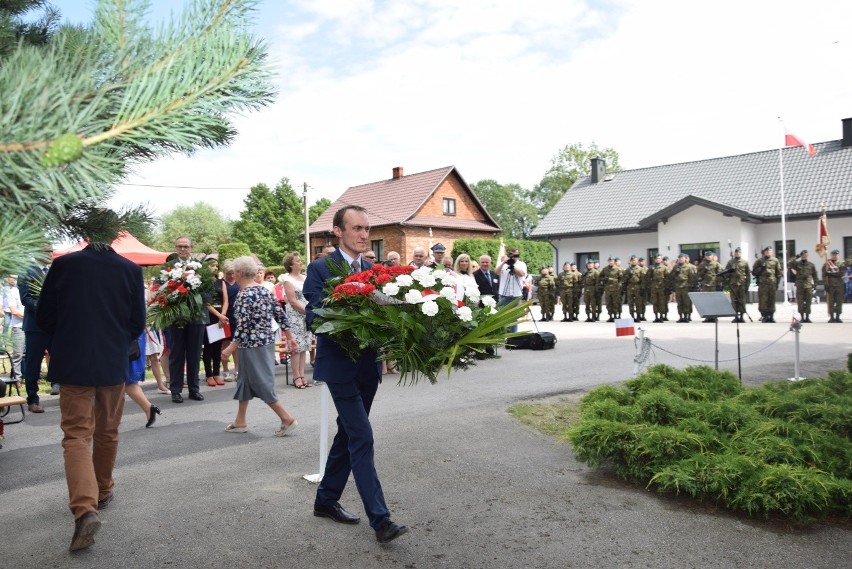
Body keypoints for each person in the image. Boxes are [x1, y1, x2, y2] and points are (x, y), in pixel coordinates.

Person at [36, 220, 146, 551]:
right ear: (115, 233)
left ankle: (85, 509)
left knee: (76, 435)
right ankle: (104, 488)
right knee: (108, 430)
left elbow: (45, 316)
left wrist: (66, 337)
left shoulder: (64, 264)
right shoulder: (129, 269)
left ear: (86, 231)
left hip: (72, 361)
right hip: (112, 362)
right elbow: (137, 322)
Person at [304, 205, 408, 544]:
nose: (364, 235)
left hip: (368, 366)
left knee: (348, 435)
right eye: (357, 228)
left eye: (367, 228)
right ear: (338, 231)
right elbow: (314, 316)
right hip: (339, 366)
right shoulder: (321, 268)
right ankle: (381, 520)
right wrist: (351, 314)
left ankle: (325, 500)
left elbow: (387, 312)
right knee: (362, 436)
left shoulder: (374, 271)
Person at [221, 256, 298, 436]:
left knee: (260, 383)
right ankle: (240, 421)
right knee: (245, 381)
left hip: (251, 346)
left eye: (234, 272)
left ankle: (286, 418)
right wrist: (289, 336)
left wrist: (230, 348)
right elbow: (279, 313)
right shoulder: (263, 290)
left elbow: (243, 326)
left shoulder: (243, 295)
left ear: (239, 273)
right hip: (265, 343)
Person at [165, 237, 206, 403]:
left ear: (191, 248)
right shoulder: (168, 267)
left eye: (186, 247)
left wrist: (197, 299)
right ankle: (175, 390)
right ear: (175, 248)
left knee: (195, 354)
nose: (183, 249)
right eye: (180, 247)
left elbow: (207, 290)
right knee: (177, 354)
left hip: (196, 316)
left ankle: (194, 389)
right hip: (176, 316)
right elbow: (162, 290)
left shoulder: (199, 266)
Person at [18, 244, 56, 412]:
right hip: (35, 326)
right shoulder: (27, 270)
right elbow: (25, 298)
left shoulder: (54, 270)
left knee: (61, 358)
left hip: (55, 325)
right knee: (33, 363)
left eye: (51, 251)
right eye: (47, 251)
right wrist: (44, 308)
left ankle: (60, 387)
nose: (50, 254)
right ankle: (33, 399)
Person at [281, 251, 313, 389]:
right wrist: (308, 312)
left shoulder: (305, 278)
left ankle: (302, 375)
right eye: (297, 261)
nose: (300, 262)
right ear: (290, 265)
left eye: (300, 260)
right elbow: (293, 302)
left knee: (304, 346)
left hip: (306, 315)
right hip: (295, 316)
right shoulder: (288, 280)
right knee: (296, 348)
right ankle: (296, 377)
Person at [126, 330, 162, 428]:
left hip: (124, 337)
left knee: (124, 380)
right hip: (131, 335)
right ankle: (148, 408)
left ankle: (148, 408)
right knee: (126, 380)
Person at [202, 262, 229, 387]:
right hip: (209, 316)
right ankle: (208, 374)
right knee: (208, 347)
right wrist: (218, 316)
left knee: (218, 347)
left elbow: (225, 300)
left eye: (215, 265)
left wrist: (222, 315)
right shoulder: (202, 282)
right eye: (211, 265)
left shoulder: (221, 282)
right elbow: (205, 302)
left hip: (221, 315)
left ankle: (217, 372)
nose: (214, 267)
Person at [496, 247, 527, 333]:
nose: (514, 257)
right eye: (512, 255)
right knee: (503, 316)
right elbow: (496, 272)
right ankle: (503, 335)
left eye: (516, 255)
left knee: (514, 317)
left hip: (516, 295)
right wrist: (504, 262)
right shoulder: (504, 263)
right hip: (504, 294)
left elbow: (521, 274)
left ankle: (513, 337)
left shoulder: (521, 264)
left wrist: (513, 265)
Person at [220, 259, 240, 381]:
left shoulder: (239, 281)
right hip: (225, 315)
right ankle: (225, 370)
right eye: (228, 274)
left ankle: (237, 370)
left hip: (237, 315)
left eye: (233, 273)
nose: (231, 276)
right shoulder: (221, 283)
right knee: (225, 344)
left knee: (236, 344)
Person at [752, 245, 783, 323]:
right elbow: (754, 272)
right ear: (764, 252)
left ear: (772, 252)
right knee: (763, 300)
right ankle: (765, 315)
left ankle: (771, 316)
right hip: (763, 284)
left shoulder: (775, 260)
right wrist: (761, 268)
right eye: (767, 251)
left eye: (770, 251)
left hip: (772, 283)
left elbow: (778, 273)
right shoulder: (759, 261)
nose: (768, 252)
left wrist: (777, 284)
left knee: (772, 300)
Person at [3, 275, 24, 387]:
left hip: (30, 326)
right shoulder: (12, 292)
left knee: (31, 354)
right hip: (18, 326)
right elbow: (14, 311)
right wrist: (29, 317)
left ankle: (34, 377)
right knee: (18, 354)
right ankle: (17, 379)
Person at [788, 250, 817, 323]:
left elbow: (815, 275)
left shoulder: (811, 265)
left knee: (808, 302)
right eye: (803, 255)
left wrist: (815, 285)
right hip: (800, 285)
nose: (804, 256)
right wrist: (796, 257)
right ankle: (802, 317)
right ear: (801, 256)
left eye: (806, 255)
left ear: (808, 255)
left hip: (808, 286)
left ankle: (807, 317)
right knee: (800, 302)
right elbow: (789, 263)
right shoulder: (797, 264)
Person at [725, 247, 750, 323]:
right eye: (736, 252)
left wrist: (747, 285)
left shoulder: (744, 262)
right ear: (734, 253)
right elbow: (726, 273)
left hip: (742, 284)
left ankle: (742, 316)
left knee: (742, 300)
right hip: (733, 284)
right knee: (733, 301)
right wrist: (730, 270)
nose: (737, 253)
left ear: (741, 253)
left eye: (739, 252)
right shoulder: (730, 262)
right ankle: (735, 316)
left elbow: (748, 274)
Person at [670, 253, 697, 323]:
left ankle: (687, 316)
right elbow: (671, 276)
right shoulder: (676, 267)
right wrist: (675, 272)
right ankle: (681, 316)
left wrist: (691, 286)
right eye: (679, 258)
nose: (681, 259)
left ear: (685, 259)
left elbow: (692, 278)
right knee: (679, 302)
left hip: (686, 287)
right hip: (678, 287)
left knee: (686, 302)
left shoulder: (689, 267)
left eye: (682, 258)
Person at [697, 249, 722, 322]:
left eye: (710, 256)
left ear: (712, 256)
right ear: (705, 256)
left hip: (713, 285)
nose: (708, 257)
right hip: (705, 285)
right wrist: (703, 271)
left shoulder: (716, 264)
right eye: (707, 256)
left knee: (714, 301)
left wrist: (718, 283)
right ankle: (708, 316)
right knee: (707, 301)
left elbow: (720, 274)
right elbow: (698, 275)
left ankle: (714, 316)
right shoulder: (702, 264)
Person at [822, 249, 847, 323]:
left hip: (839, 285)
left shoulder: (842, 263)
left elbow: (842, 273)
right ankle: (832, 317)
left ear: (838, 255)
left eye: (836, 255)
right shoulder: (826, 264)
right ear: (831, 255)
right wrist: (825, 285)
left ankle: (838, 317)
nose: (834, 256)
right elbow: (824, 275)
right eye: (833, 255)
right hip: (830, 285)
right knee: (831, 301)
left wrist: (830, 274)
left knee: (839, 301)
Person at [624, 255, 647, 321]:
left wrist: (642, 288)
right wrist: (628, 275)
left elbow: (643, 279)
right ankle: (632, 316)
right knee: (630, 302)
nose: (634, 261)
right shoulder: (628, 269)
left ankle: (638, 316)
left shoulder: (640, 269)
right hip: (630, 287)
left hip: (638, 286)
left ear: (637, 261)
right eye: (632, 260)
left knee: (638, 302)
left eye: (635, 260)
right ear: (630, 261)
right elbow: (624, 280)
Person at [649, 254, 670, 323]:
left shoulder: (664, 268)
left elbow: (667, 278)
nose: (658, 259)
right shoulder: (652, 268)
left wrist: (667, 287)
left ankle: (661, 316)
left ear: (661, 260)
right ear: (655, 260)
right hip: (654, 287)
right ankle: (656, 316)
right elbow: (648, 278)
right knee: (655, 302)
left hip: (662, 287)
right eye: (656, 258)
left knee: (661, 302)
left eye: (659, 258)